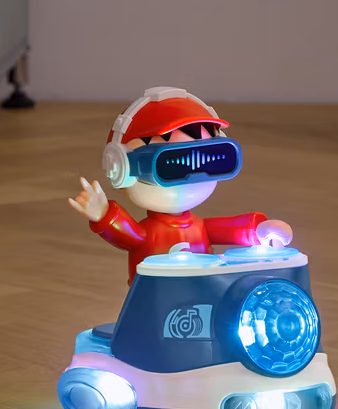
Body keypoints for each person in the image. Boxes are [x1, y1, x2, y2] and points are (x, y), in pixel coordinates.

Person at [69, 86, 292, 284]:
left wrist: (259, 230)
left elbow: (232, 229)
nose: (192, 173)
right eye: (172, 163)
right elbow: (129, 236)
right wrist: (105, 215)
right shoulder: (151, 232)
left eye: (211, 158)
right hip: (153, 298)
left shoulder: (199, 227)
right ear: (121, 166)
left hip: (205, 295)